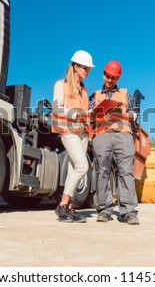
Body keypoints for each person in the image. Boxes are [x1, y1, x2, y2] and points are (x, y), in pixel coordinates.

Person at [89, 60, 140, 225]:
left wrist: (120, 113)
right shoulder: (95, 96)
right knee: (102, 172)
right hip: (102, 136)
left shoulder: (126, 94)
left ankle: (129, 211)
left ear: (118, 78)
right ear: (103, 74)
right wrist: (92, 112)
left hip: (123, 135)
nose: (109, 80)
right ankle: (104, 209)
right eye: (107, 76)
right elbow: (88, 116)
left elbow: (134, 115)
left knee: (126, 172)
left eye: (113, 78)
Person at [51, 50, 94, 223]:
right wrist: (75, 114)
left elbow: (84, 113)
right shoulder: (61, 85)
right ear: (75, 66)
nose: (87, 71)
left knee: (73, 170)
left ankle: (69, 208)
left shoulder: (84, 91)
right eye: (85, 67)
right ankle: (63, 204)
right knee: (83, 166)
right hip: (68, 131)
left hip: (82, 133)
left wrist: (89, 115)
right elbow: (56, 108)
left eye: (89, 68)